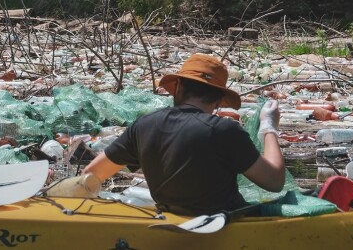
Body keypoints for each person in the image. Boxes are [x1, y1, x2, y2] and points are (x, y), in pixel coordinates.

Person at [51, 53, 285, 215]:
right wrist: (269, 128)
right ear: (218, 101)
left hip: (170, 218)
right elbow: (274, 182)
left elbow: (92, 174)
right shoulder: (225, 130)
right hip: (222, 224)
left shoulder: (144, 125)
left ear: (179, 88)